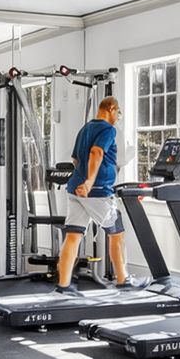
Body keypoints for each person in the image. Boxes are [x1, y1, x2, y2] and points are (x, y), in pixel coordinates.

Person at [58, 96, 129, 291]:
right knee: (117, 233)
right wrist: (89, 182)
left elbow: (75, 159)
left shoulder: (85, 129)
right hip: (97, 192)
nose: (118, 118)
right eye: (118, 114)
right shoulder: (108, 129)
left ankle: (63, 285)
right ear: (111, 108)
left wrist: (83, 180)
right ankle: (124, 280)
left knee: (73, 235)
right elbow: (96, 152)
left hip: (75, 190)